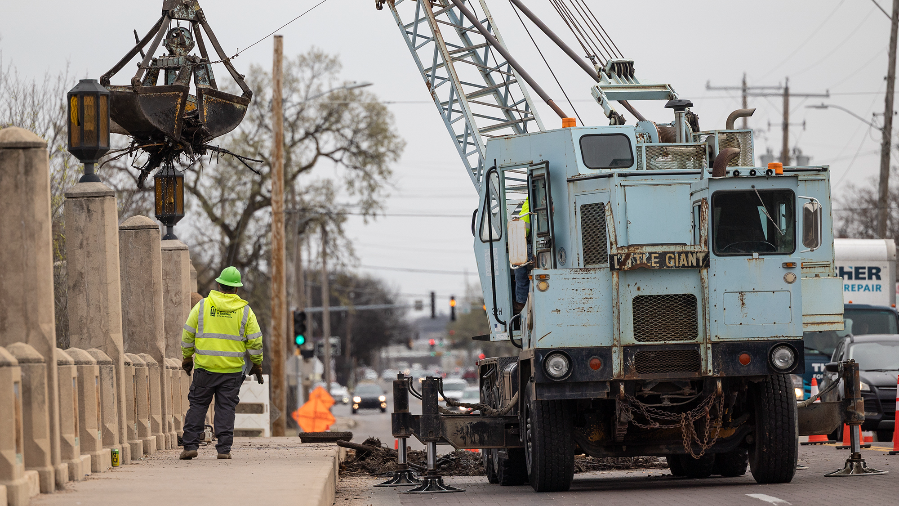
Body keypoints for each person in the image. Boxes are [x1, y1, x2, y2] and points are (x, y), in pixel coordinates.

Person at [179, 266, 263, 460]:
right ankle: (224, 449)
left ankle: (190, 446)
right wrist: (257, 364)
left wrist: (187, 357)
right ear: (236, 289)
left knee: (198, 405)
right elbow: (256, 341)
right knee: (225, 408)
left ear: (218, 285)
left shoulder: (202, 306)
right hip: (232, 371)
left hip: (204, 368)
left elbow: (187, 334)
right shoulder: (245, 311)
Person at [513, 198, 533, 315]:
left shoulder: (529, 201)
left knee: (520, 273)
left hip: (529, 246)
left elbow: (524, 229)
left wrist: (516, 226)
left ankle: (521, 304)